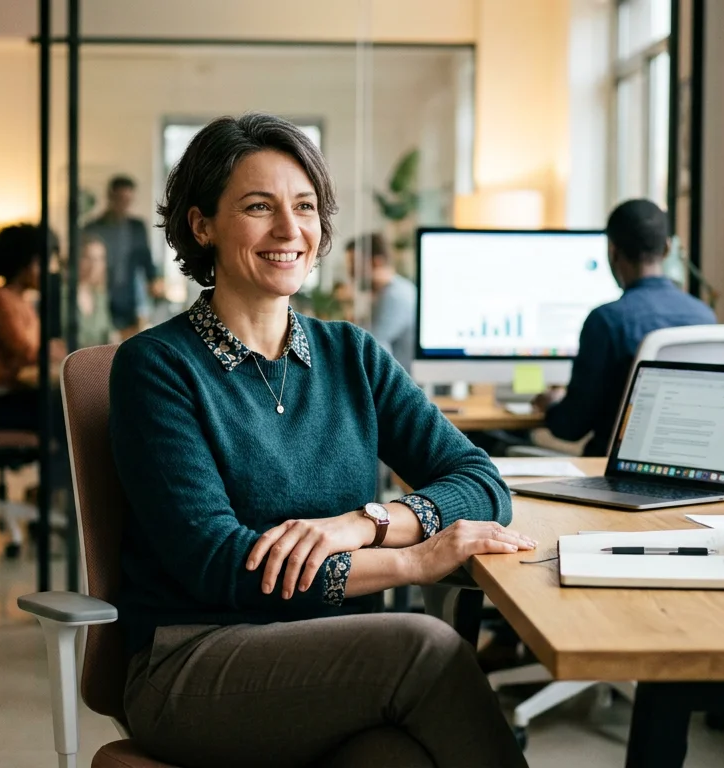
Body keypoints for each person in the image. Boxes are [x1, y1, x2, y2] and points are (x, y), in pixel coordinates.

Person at [109, 113, 533, 768]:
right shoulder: (156, 368)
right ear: (202, 226)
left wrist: (367, 523)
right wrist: (409, 562)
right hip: (193, 663)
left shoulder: (351, 355)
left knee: (399, 760)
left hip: (334, 659)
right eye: (259, 207)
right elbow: (221, 562)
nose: (289, 231)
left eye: (304, 207)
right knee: (429, 650)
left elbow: (481, 484)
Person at [535, 198, 717, 456]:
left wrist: (552, 405)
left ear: (613, 252)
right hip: (686, 470)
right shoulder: (705, 317)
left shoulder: (606, 321)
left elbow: (571, 427)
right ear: (667, 248)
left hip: (610, 476)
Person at [0, 223, 66, 432]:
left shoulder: (22, 302)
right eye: (41, 262)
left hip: (8, 393)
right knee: (70, 413)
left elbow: (41, 350)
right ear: (24, 265)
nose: (48, 270)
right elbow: (28, 353)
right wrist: (51, 349)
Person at [83, 175, 164, 334]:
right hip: (101, 295)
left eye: (128, 200)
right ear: (110, 197)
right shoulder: (92, 228)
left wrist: (154, 283)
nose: (124, 204)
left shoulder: (137, 227)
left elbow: (145, 259)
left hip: (128, 297)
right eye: (120, 199)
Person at [344, 232, 417, 370]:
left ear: (376, 262)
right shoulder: (394, 290)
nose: (351, 273)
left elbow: (370, 347)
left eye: (354, 265)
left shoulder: (394, 296)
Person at [74, 238, 115, 347]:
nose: (94, 265)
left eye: (99, 259)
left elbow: (110, 334)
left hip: (96, 361)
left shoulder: (100, 296)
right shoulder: (62, 294)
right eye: (88, 258)